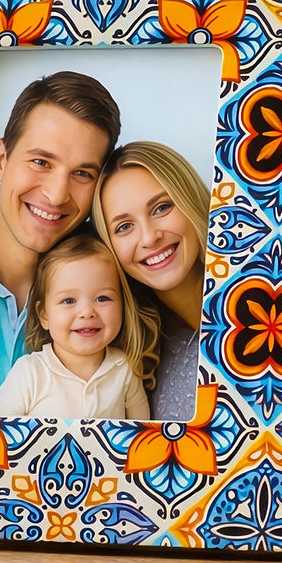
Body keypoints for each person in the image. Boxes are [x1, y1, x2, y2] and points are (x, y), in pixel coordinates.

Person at [0, 71, 121, 413]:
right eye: (41, 162)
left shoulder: (114, 294)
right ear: (1, 161)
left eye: (82, 174)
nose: (57, 195)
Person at [91, 141, 209, 421]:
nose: (149, 237)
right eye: (124, 227)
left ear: (190, 198)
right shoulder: (132, 355)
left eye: (161, 208)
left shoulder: (265, 295)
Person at [0, 231, 152, 420]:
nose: (87, 312)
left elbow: (144, 431)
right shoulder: (30, 372)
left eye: (102, 298)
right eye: (69, 300)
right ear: (44, 315)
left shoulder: (124, 369)